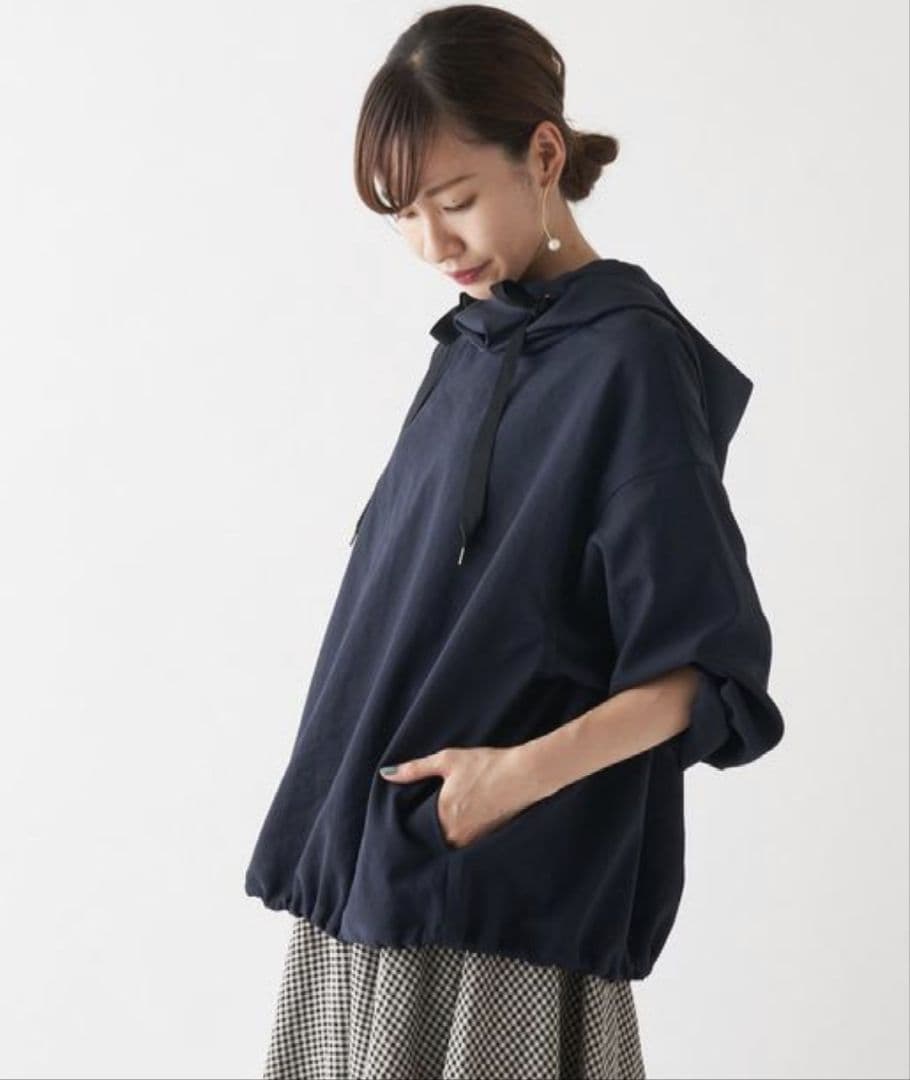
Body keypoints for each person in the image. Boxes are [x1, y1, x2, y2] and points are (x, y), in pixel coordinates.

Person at [246, 5, 786, 1078]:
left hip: (494, 906)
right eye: (403, 215)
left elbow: (706, 668)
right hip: (369, 883)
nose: (432, 244)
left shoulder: (627, 360)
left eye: (455, 201)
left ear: (543, 155)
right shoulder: (472, 343)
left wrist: (503, 785)